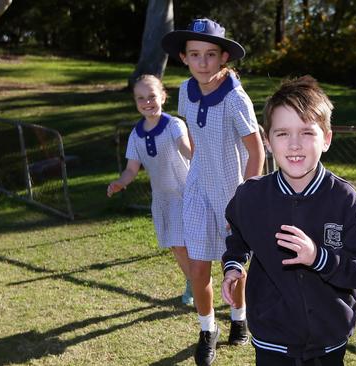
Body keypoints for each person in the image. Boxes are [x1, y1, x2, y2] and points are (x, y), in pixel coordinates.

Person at [221, 75, 356, 366]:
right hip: (272, 338)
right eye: (283, 134)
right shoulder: (251, 196)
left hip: (328, 339)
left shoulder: (346, 201)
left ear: (327, 139)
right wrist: (233, 265)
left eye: (307, 133)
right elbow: (238, 234)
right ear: (268, 141)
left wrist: (320, 258)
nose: (294, 144)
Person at [161, 18, 265, 366]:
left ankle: (239, 317)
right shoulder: (184, 91)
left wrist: (247, 199)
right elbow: (192, 136)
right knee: (198, 266)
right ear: (184, 58)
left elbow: (257, 151)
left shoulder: (236, 98)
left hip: (232, 194)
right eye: (194, 55)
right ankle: (207, 331)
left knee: (232, 265)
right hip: (198, 191)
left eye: (209, 54)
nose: (202, 62)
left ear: (223, 57)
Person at [107, 74, 193, 306]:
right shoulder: (135, 135)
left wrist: (198, 153)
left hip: (187, 193)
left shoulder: (174, 124)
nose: (147, 102)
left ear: (163, 97)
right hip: (163, 198)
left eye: (152, 96)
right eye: (141, 98)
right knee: (177, 245)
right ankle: (192, 281)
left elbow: (185, 148)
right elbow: (131, 170)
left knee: (191, 242)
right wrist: (120, 183)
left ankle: (209, 280)